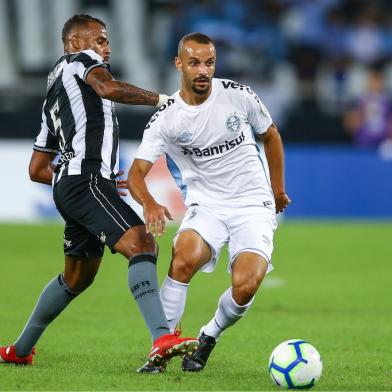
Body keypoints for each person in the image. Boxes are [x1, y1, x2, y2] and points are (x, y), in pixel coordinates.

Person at [0, 14, 197, 371]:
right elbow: (108, 88)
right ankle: (161, 338)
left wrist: (92, 174)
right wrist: (164, 100)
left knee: (77, 277)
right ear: (76, 43)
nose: (106, 47)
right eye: (100, 39)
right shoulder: (81, 63)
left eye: (107, 40)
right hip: (85, 182)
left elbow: (36, 170)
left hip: (77, 184)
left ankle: (19, 350)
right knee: (143, 242)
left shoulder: (53, 98)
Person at [128, 32, 291, 372]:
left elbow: (271, 135)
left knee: (246, 285)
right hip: (207, 207)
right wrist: (149, 203)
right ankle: (160, 351)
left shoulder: (238, 95)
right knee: (183, 255)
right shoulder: (166, 118)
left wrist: (277, 190)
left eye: (209, 63)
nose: (203, 70)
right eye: (194, 63)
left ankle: (208, 336)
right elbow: (136, 174)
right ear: (179, 65)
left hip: (252, 204)